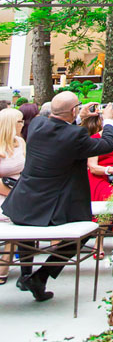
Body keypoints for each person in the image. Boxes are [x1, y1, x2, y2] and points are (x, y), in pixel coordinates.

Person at [1, 92, 113, 302]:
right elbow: (107, 144)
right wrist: (108, 120)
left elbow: (62, 131)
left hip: (23, 204)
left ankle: (26, 275)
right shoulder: (75, 136)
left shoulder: (36, 125)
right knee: (87, 230)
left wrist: (78, 118)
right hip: (52, 206)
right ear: (73, 110)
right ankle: (41, 276)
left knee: (26, 228)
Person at [0, 109, 25, 284]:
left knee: (18, 217)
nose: (22, 124)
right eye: (19, 121)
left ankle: (5, 262)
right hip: (5, 191)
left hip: (19, 190)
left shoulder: (21, 142)